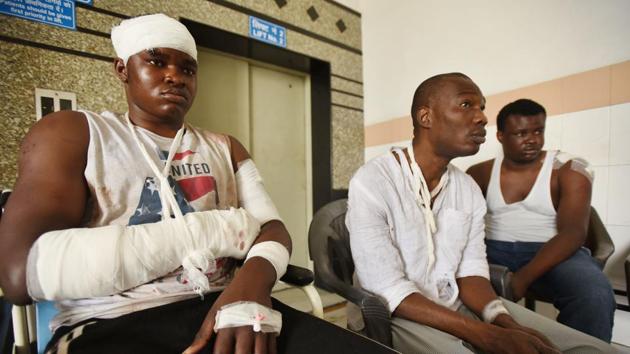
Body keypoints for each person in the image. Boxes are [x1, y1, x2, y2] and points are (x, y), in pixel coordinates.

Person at [0, 14, 395, 354]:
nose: (174, 75)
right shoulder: (74, 133)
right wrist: (222, 228)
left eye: (187, 69)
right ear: (122, 68)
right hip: (110, 319)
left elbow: (272, 227)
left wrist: (250, 288)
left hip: (226, 301)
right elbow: (22, 274)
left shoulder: (225, 146)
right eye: (156, 62)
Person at [346, 73, 616, 353]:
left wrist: (507, 324)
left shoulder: (467, 188)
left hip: (453, 305)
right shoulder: (372, 182)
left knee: (588, 348)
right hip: (392, 314)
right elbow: (387, 289)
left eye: (482, 107)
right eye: (466, 105)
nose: (482, 118)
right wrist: (487, 335)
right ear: (426, 117)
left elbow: (470, 273)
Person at [466, 98, 616, 342]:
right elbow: (463, 224)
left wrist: (521, 280)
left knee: (595, 293)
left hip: (553, 249)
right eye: (521, 133)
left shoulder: (569, 168)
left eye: (538, 130)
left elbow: (573, 233)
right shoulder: (479, 172)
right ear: (501, 136)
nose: (532, 139)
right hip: (491, 249)